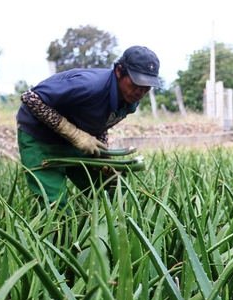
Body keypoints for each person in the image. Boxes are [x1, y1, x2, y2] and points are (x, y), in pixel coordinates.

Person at [16, 45, 161, 206]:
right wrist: (74, 135)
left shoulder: (130, 101)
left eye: (147, 86)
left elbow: (101, 123)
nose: (140, 93)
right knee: (54, 205)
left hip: (79, 139)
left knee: (115, 188)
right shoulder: (88, 85)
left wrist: (104, 155)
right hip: (41, 137)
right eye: (136, 83)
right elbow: (31, 98)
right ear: (119, 71)